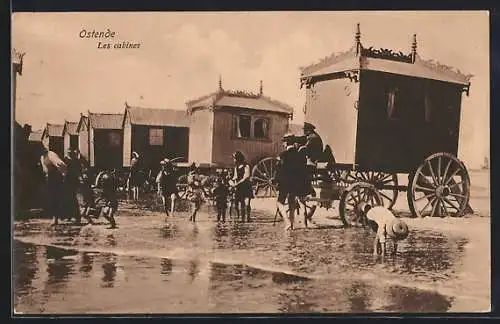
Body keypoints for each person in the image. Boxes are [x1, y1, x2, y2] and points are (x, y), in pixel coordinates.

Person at [275, 133, 307, 231]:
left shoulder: (283, 155)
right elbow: (303, 169)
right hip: (296, 182)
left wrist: (276, 180)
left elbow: (279, 169)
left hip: (285, 182)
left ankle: (287, 221)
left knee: (279, 203)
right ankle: (292, 224)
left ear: (286, 143)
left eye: (284, 142)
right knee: (292, 202)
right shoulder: (300, 155)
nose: (283, 144)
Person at [39, 146, 67, 225]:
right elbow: (45, 170)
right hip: (49, 179)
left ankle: (57, 218)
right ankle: (55, 217)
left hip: (56, 179)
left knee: (56, 198)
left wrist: (63, 175)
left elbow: (62, 165)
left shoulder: (51, 154)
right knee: (51, 198)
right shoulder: (42, 157)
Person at [230, 151, 254, 223]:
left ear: (238, 158)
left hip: (246, 186)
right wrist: (231, 182)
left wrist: (237, 184)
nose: (234, 160)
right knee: (241, 204)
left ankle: (248, 217)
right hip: (239, 187)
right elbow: (235, 176)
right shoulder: (236, 167)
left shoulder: (246, 166)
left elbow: (246, 177)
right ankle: (243, 218)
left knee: (247, 203)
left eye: (234, 158)